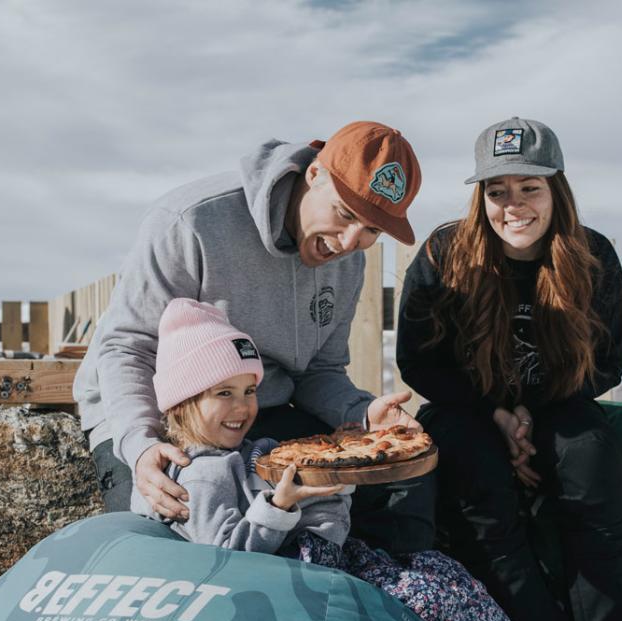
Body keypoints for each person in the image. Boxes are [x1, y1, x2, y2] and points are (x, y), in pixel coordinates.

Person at [149, 297, 598, 621]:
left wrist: (337, 480)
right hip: (296, 586)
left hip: (332, 559)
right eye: (223, 393)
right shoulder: (201, 474)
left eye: (249, 391)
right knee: (425, 601)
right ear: (183, 402)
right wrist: (281, 506)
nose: (243, 406)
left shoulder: (255, 451)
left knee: (446, 573)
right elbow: (225, 561)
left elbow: (321, 515)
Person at [74, 121, 434, 554]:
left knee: (392, 489)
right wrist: (140, 443)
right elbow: (127, 345)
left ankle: (385, 605)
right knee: (170, 544)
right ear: (314, 174)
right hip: (160, 416)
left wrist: (363, 413)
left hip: (261, 410)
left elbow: (319, 371)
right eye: (345, 213)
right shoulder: (192, 222)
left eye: (374, 229)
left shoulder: (348, 262)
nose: (351, 242)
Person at [396, 117, 622, 621]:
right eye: (497, 191)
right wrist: (495, 411)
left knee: (589, 459)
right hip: (465, 407)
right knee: (479, 484)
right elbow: (418, 361)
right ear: (480, 197)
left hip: (558, 403)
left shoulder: (591, 256)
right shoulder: (446, 252)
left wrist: (532, 416)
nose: (513, 206)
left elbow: (609, 361)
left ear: (556, 190)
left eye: (529, 188)